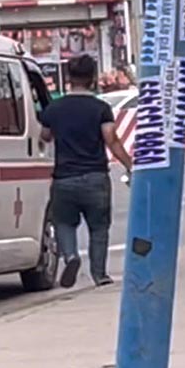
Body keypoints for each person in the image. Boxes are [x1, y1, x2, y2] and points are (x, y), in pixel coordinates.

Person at [38, 55, 133, 289]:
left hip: (64, 179)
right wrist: (130, 165)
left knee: (64, 223)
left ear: (69, 78)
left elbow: (45, 136)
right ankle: (99, 274)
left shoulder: (54, 108)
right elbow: (111, 139)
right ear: (92, 79)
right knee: (99, 227)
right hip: (95, 178)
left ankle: (71, 256)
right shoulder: (100, 108)